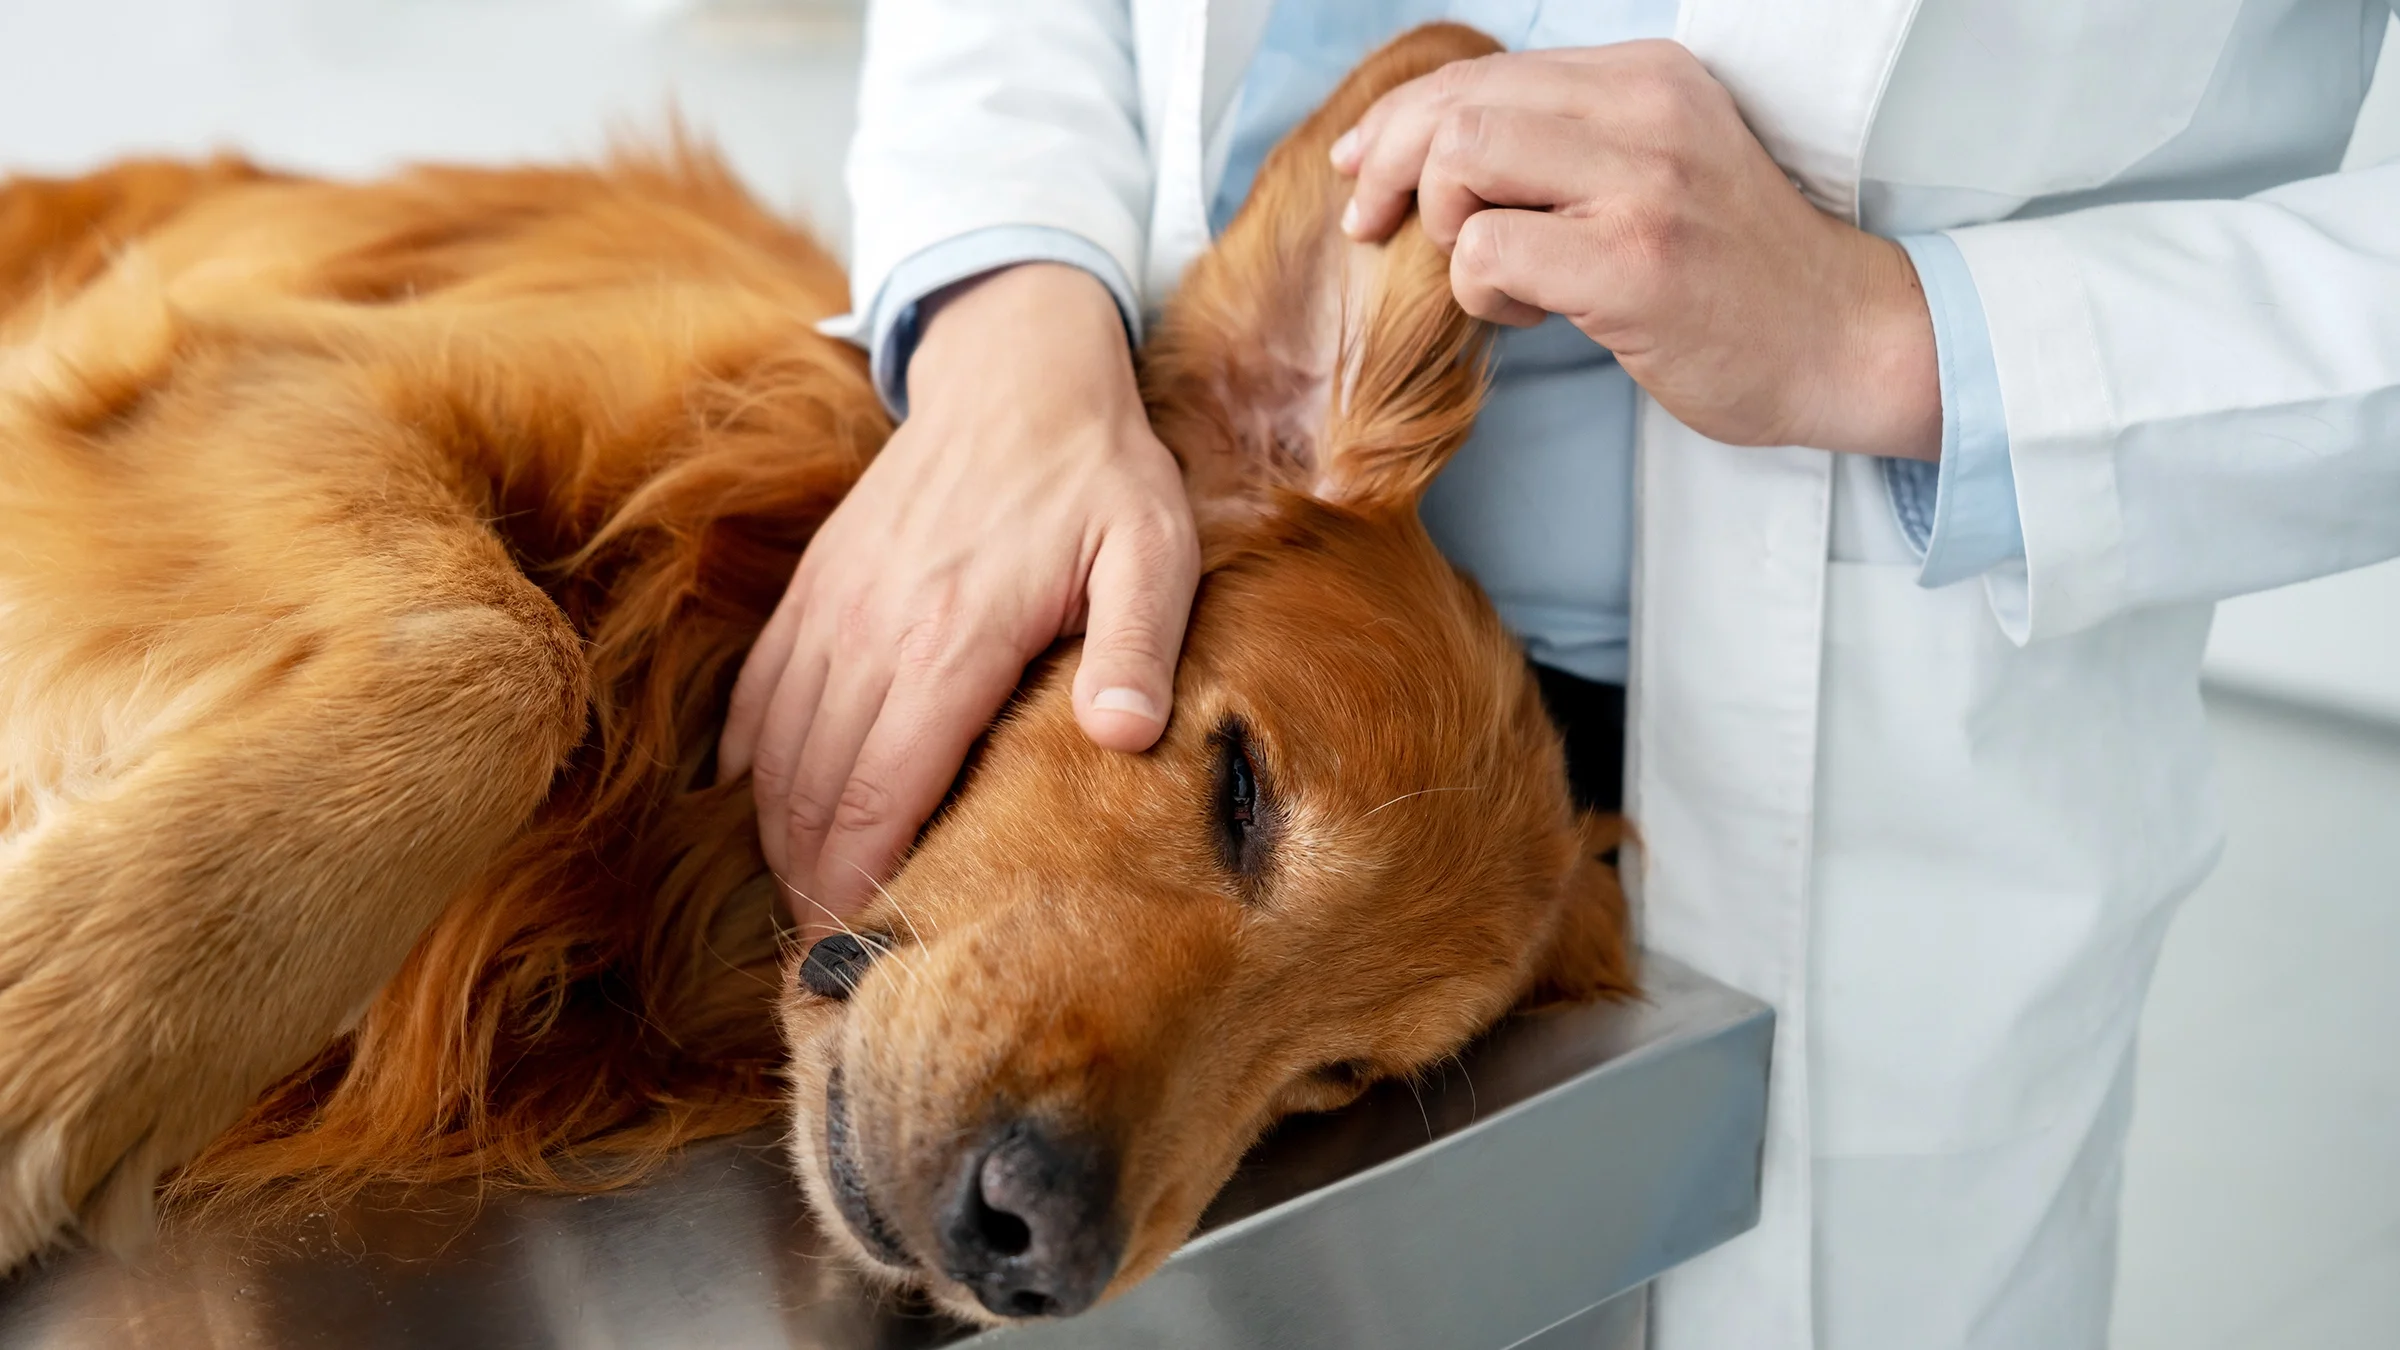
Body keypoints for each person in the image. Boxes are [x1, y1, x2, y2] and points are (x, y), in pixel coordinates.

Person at [718, 2, 2400, 1346]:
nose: (1060, 1235)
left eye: (1339, 1069)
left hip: (1855, 792)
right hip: (1152, 469)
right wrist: (1012, 307)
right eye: (1235, 805)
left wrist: (1904, 337)